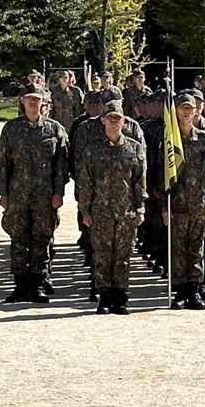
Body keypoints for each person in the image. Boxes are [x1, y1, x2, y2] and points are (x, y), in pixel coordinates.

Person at [0, 85, 68, 303]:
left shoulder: (55, 130)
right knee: (18, 239)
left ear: (44, 102)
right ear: (22, 101)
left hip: (45, 196)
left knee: (42, 240)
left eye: (37, 99)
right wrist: (3, 193)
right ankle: (20, 285)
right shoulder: (11, 129)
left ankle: (38, 284)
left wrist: (58, 192)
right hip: (18, 194)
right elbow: (2, 164)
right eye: (29, 99)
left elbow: (61, 166)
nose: (33, 102)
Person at [76, 102, 146, 314]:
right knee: (103, 255)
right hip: (101, 211)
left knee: (123, 255)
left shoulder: (133, 148)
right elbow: (85, 182)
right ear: (103, 120)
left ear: (124, 121)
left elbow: (139, 180)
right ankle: (104, 296)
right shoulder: (93, 149)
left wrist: (140, 207)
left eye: (118, 118)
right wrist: (85, 210)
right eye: (110, 118)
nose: (114, 122)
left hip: (126, 211)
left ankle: (121, 297)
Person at [161, 92, 205, 310]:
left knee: (197, 247)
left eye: (190, 108)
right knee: (177, 248)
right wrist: (164, 205)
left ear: (196, 110)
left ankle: (194, 290)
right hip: (176, 203)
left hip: (199, 203)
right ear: (176, 111)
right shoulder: (169, 140)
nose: (187, 112)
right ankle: (180, 291)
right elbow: (162, 174)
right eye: (183, 108)